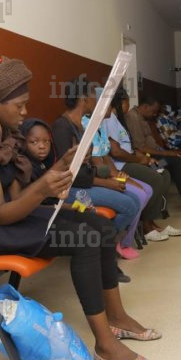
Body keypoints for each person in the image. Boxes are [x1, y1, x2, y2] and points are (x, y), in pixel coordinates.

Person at [0, 57, 159, 360]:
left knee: (100, 224)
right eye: (20, 105)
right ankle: (105, 343)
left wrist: (60, 166)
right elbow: (1, 214)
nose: (25, 111)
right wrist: (43, 188)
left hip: (1, 218)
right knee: (85, 237)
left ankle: (117, 318)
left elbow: (16, 197)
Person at [19, 118, 131, 281]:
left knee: (102, 224)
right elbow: (34, 206)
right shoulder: (23, 168)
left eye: (46, 141)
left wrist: (74, 206)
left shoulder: (46, 163)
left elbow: (52, 202)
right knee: (90, 232)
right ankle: (102, 272)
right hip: (37, 221)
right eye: (34, 142)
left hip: (53, 211)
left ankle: (109, 271)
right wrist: (70, 207)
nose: (42, 146)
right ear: (23, 143)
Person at [51, 78, 146, 261]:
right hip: (70, 189)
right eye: (95, 96)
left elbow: (88, 166)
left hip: (86, 182)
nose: (98, 100)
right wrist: (107, 183)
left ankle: (105, 244)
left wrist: (109, 178)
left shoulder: (80, 126)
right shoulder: (62, 127)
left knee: (134, 200)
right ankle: (104, 246)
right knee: (129, 206)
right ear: (84, 98)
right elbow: (70, 174)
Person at [108, 88, 181, 240]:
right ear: (121, 102)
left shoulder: (120, 119)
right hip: (122, 165)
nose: (128, 106)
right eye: (127, 102)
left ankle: (152, 220)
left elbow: (130, 148)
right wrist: (141, 159)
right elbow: (118, 152)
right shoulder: (113, 119)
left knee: (163, 171)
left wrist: (147, 159)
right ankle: (147, 226)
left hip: (139, 157)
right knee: (156, 177)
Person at [126, 97, 181, 217]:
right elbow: (140, 147)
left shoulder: (143, 117)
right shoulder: (133, 117)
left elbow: (151, 144)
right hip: (150, 162)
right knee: (178, 162)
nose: (154, 114)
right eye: (153, 111)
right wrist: (168, 153)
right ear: (145, 107)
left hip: (156, 155)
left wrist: (168, 152)